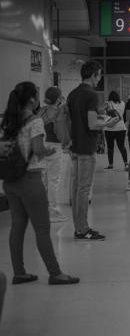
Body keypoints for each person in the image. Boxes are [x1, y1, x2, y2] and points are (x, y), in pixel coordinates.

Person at [0, 81, 79, 285]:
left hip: (10, 181)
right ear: (33, 99)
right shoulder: (34, 121)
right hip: (30, 179)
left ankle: (19, 272)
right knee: (42, 229)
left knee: (17, 227)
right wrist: (49, 151)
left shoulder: (6, 120)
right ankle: (55, 273)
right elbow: (37, 148)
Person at [66, 61, 120, 241]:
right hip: (86, 148)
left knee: (75, 189)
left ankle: (78, 227)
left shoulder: (73, 94)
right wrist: (107, 123)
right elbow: (92, 124)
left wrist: (99, 111)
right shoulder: (91, 94)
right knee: (83, 189)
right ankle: (83, 229)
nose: (100, 78)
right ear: (94, 74)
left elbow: (74, 120)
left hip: (74, 147)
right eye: (99, 75)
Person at [38, 87, 69, 223]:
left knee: (43, 179)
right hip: (54, 147)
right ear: (58, 99)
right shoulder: (59, 112)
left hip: (41, 145)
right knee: (53, 180)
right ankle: (53, 211)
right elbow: (61, 134)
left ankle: (42, 209)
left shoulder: (41, 111)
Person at [103, 91, 128, 170]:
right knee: (122, 146)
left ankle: (110, 164)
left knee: (110, 147)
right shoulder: (123, 103)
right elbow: (122, 114)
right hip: (121, 128)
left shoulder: (107, 103)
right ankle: (126, 164)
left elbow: (104, 114)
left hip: (109, 128)